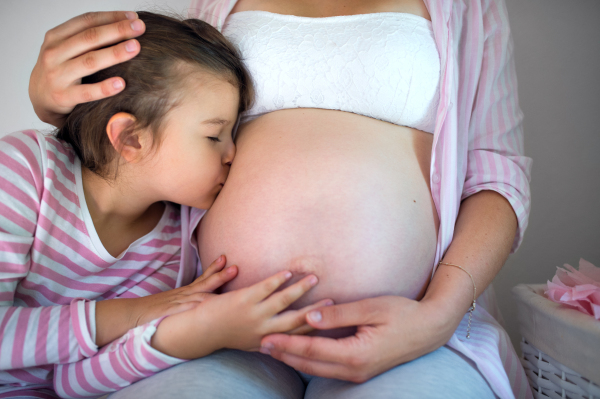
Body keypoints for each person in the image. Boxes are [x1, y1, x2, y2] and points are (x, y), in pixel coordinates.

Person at [28, 0, 534, 398]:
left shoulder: (467, 8)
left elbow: (496, 173)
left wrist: (437, 316)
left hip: (410, 331)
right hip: (217, 329)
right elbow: (146, 132)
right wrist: (55, 105)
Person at [1, 12, 330, 399]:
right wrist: (135, 313)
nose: (233, 154)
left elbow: (75, 382)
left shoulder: (175, 245)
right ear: (132, 139)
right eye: (214, 136)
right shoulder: (24, 171)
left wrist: (189, 335)